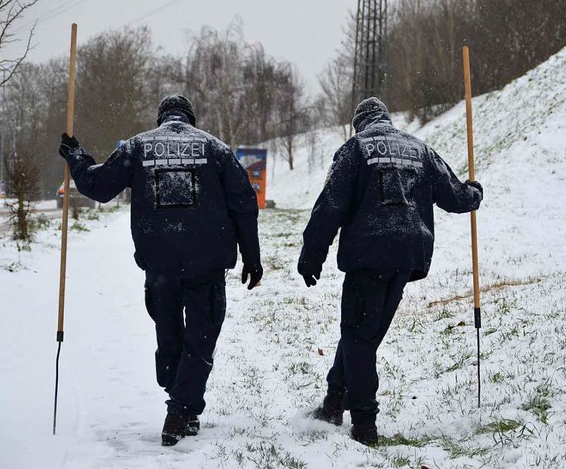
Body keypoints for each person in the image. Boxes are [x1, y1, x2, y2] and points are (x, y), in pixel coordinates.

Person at [58, 94, 263, 446]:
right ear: (190, 119)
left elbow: (99, 187)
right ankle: (182, 409)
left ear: (161, 119)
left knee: (168, 333)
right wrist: (252, 257)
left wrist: (77, 158)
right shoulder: (215, 149)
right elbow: (244, 204)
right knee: (200, 339)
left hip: (160, 263)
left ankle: (179, 398)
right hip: (206, 263)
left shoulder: (138, 147)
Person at [298, 97, 483, 445]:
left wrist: (312, 255)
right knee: (362, 335)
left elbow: (330, 206)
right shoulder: (419, 149)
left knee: (358, 336)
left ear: (361, 123)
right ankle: (334, 401)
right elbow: (454, 195)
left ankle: (364, 424)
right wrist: (473, 193)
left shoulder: (355, 149)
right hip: (408, 256)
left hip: (370, 254)